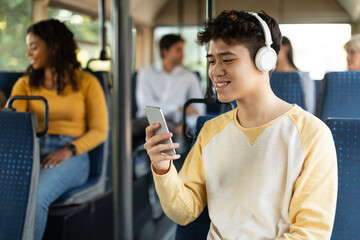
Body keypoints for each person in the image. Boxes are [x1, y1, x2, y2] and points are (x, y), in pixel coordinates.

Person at [144, 10, 337, 239]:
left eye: (227, 60)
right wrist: (163, 168)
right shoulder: (211, 131)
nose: (215, 71)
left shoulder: (312, 134)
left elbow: (311, 233)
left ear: (264, 60)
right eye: (212, 61)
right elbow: (183, 212)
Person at [10, 19, 108, 240]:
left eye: (34, 46)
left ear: (53, 47)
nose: (28, 53)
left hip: (72, 154)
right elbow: (16, 126)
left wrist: (69, 150)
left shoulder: (87, 83)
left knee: (34, 196)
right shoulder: (25, 84)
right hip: (32, 153)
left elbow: (99, 130)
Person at [134, 34, 204, 143]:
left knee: (168, 132)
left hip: (174, 123)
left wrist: (186, 124)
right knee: (123, 129)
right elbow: (145, 106)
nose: (182, 55)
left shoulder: (190, 77)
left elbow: (198, 110)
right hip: (146, 121)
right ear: (164, 52)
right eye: (178, 50)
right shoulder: (146, 73)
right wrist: (178, 108)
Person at [275, 36, 316, 115]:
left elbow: (310, 109)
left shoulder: (304, 77)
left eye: (274, 47)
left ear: (286, 48)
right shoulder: (266, 77)